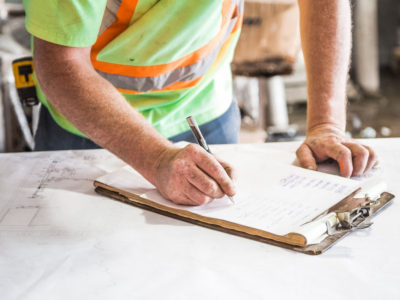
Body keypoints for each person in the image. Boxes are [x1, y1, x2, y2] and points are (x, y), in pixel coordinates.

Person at [23, 0, 377, 206]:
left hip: (208, 111)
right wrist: (156, 157)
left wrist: (326, 124)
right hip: (91, 129)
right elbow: (60, 63)